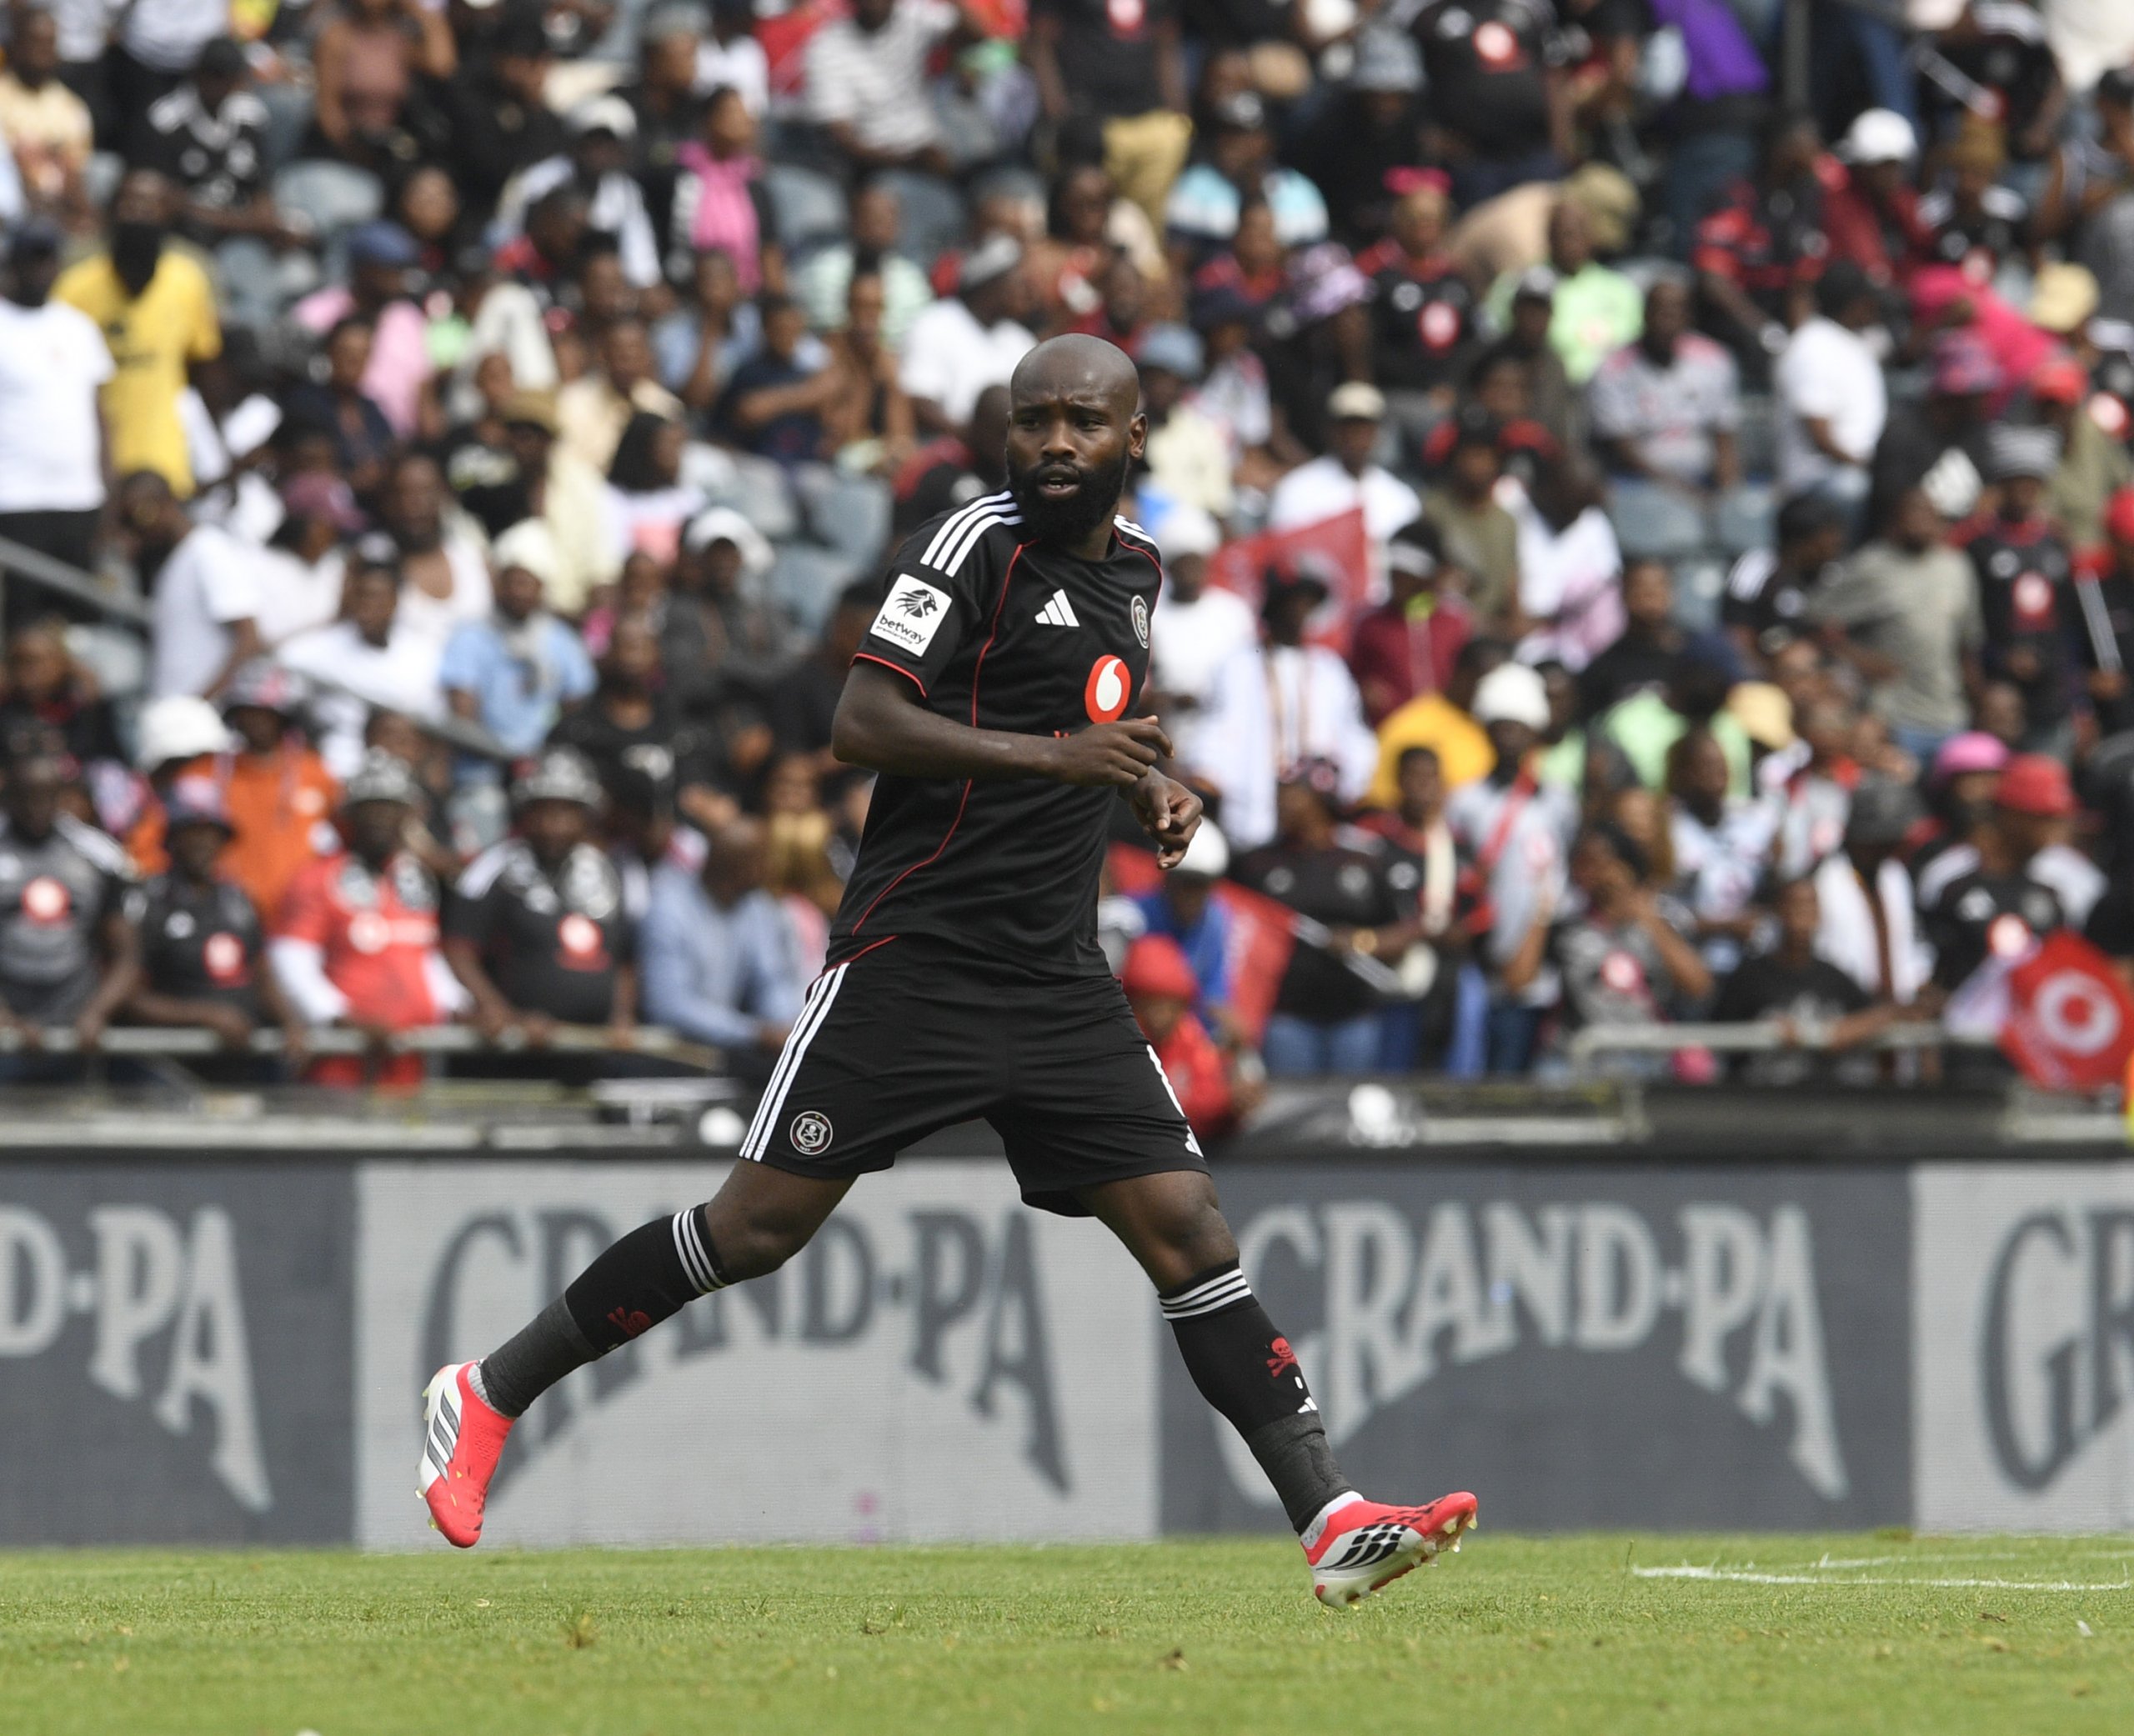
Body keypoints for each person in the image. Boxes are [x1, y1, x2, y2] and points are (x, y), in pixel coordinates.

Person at [418, 335, 1478, 1607]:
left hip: (1056, 974)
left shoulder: (1139, 570)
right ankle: (488, 1389)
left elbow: (1094, 718)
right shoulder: (971, 543)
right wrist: (1060, 757)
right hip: (913, 960)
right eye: (1033, 419)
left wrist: (1149, 782)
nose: (1055, 442)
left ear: (1134, 438)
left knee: (1189, 1225)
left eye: (1083, 419)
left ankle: (1331, 1515)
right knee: (755, 1227)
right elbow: (861, 721)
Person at [270, 749, 468, 1088]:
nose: (380, 818)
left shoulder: (414, 878)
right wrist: (341, 1019)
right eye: (370, 807)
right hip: (341, 1061)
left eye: (391, 808)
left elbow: (423, 956)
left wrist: (460, 1006)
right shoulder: (316, 878)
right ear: (351, 814)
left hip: (412, 1058)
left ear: (408, 815)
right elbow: (290, 961)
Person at [446, 748, 635, 1042]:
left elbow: (625, 957)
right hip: (516, 1050)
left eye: (566, 812)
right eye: (543, 811)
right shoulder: (494, 868)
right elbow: (458, 951)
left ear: (586, 816)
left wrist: (622, 1015)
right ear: (525, 813)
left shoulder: (609, 871)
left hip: (594, 1048)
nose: (553, 825)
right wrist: (500, 1012)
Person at [54, 169, 220, 496]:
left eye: (149, 205)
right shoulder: (75, 288)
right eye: (129, 203)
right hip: (87, 461)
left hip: (164, 460)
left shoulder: (188, 281)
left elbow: (204, 367)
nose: (138, 214)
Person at [1234, 771, 1411, 1074]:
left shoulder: (1363, 861)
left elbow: (1403, 931)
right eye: (1279, 796)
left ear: (1319, 801)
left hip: (1354, 1015)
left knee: (1352, 1099)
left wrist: (1360, 940)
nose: (1282, 803)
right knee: (1292, 1100)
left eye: (1293, 795)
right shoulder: (1256, 864)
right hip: (1287, 1014)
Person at [1446, 660, 1575, 1072]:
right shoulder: (1464, 801)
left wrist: (1539, 944)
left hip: (1537, 965)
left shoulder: (1558, 801)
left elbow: (1562, 877)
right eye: (1500, 728)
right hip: (1479, 960)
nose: (1509, 738)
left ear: (1535, 734)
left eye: (1518, 729)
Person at [1192, 569, 1379, 850]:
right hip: (1253, 813)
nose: (1299, 612)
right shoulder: (1238, 664)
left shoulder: (1329, 668)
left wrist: (1352, 785)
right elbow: (1217, 731)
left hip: (1318, 815)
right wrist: (1210, 777)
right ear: (1274, 607)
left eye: (1307, 604)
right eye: (1293, 602)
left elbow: (1353, 734)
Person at [126, 778, 306, 1064]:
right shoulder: (148, 901)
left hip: (243, 1059)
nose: (203, 842)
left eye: (211, 833)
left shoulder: (239, 899)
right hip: (171, 1064)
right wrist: (205, 1016)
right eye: (192, 831)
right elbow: (130, 997)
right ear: (172, 838)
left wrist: (290, 1021)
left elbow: (262, 974)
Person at [1811, 486, 1983, 766]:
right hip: (1894, 717)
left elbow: (1968, 643)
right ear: (1895, 519)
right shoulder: (1872, 566)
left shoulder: (1956, 566)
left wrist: (1976, 702)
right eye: (1913, 512)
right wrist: (1858, 658)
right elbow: (1813, 621)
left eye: (1929, 513)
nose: (1921, 521)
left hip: (1950, 715)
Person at [0, 753, 141, 1054]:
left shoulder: (100, 856)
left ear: (62, 796)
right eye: (26, 796)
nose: (36, 807)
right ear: (8, 795)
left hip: (75, 1021)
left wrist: (97, 1011)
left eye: (47, 796)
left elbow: (126, 954)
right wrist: (4, 1018)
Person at [0, 220, 112, 584]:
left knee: (79, 613)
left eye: (47, 258)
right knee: (21, 616)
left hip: (80, 500)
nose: (40, 268)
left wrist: (108, 498)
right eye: (32, 258)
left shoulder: (79, 328)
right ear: (12, 262)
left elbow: (100, 419)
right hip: (14, 500)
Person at [438, 522, 598, 760]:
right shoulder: (471, 637)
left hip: (542, 761)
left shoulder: (561, 640)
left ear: (542, 588)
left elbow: (577, 703)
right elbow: (463, 717)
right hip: (482, 761)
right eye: (512, 582)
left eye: (527, 583)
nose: (519, 592)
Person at [1712, 877, 1893, 1085]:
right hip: (1764, 1098)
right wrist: (1769, 1033)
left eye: (1810, 905)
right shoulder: (1748, 977)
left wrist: (1833, 1033)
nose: (1802, 915)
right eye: (1794, 905)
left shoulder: (1835, 977)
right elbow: (1720, 1039)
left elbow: (1877, 1012)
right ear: (1777, 911)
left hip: (1825, 1096)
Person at [113, 469, 263, 699]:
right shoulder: (175, 559)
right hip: (173, 707)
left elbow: (249, 638)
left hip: (201, 711)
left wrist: (201, 703)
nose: (138, 529)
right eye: (128, 521)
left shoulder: (208, 549)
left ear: (168, 502)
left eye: (143, 514)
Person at [1266, 383, 1423, 579]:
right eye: (1347, 428)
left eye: (1364, 428)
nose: (1355, 436)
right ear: (1331, 430)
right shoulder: (1295, 488)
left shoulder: (1401, 498)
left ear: (1377, 433)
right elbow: (1283, 559)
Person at [1772, 260, 1887, 512]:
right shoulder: (1812, 346)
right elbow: (1819, 436)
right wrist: (1871, 468)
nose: (1873, 306)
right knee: (1859, 488)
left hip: (1854, 473)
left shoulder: (1851, 342)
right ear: (1854, 302)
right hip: (1817, 482)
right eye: (1867, 300)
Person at [897, 234, 1037, 438]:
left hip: (1004, 447)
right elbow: (919, 402)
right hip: (945, 443)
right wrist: (975, 440)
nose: (1027, 292)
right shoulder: (935, 323)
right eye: (1018, 283)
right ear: (991, 284)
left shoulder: (1020, 340)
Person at [1120, 933, 1241, 1141]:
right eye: (1149, 1003)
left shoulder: (1187, 1034)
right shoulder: (1122, 1041)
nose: (1159, 1017)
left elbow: (1206, 1095)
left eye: (1169, 1005)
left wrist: (1230, 1102)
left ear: (1182, 1005)